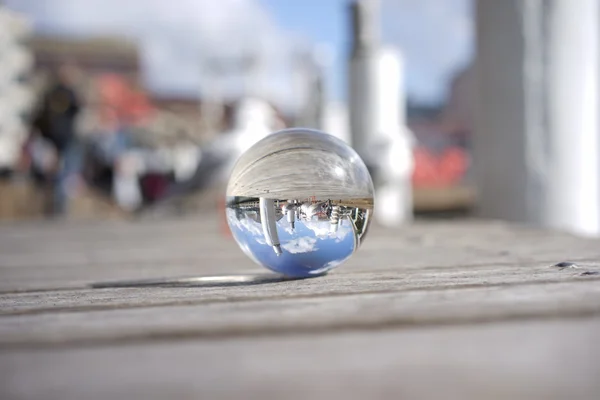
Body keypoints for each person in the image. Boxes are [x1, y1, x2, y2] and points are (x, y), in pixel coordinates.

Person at [33, 64, 83, 216]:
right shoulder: (68, 93)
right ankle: (59, 207)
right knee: (64, 172)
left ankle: (55, 206)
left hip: (53, 139)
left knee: (57, 173)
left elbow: (40, 117)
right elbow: (78, 110)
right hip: (63, 139)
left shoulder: (50, 94)